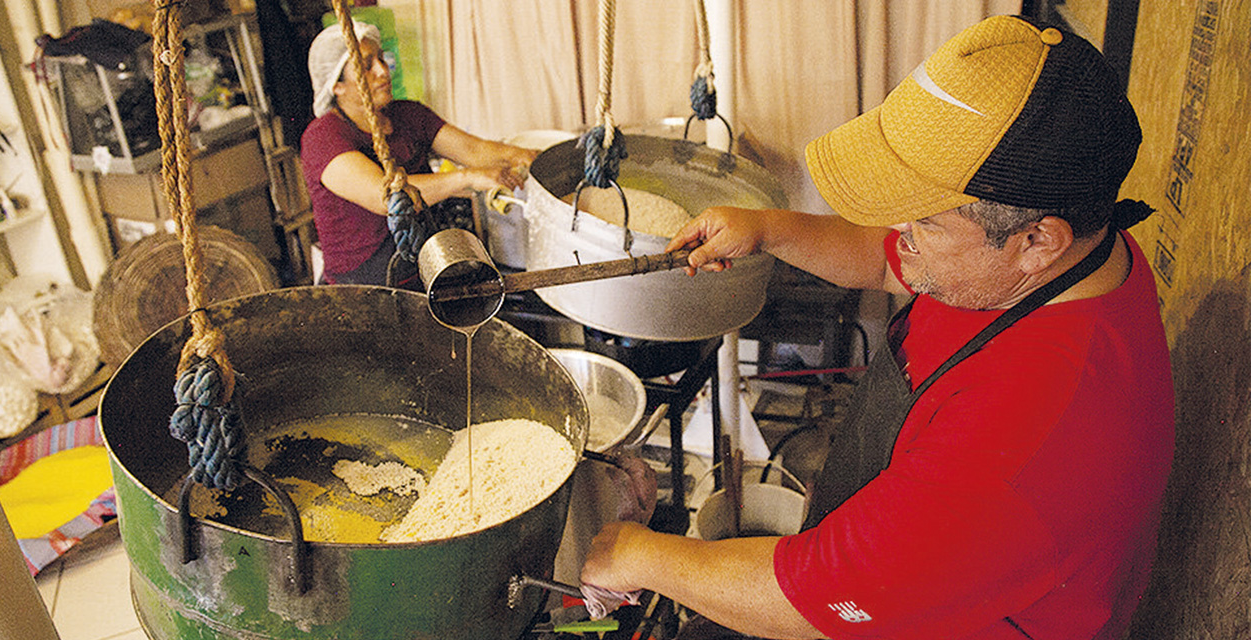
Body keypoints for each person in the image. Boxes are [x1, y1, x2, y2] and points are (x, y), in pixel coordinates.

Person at [581, 15, 1174, 640]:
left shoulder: (1036, 432)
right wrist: (769, 228)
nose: (901, 235)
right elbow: (888, 260)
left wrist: (635, 554)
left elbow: (810, 600)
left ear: (1036, 240)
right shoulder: (1061, 256)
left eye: (923, 220)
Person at [299, 22, 537, 286]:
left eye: (381, 58)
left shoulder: (408, 115)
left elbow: (474, 150)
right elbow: (386, 197)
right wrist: (466, 178)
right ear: (337, 86)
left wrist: (526, 155)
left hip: (425, 269)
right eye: (366, 66)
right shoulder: (323, 138)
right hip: (362, 288)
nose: (382, 70)